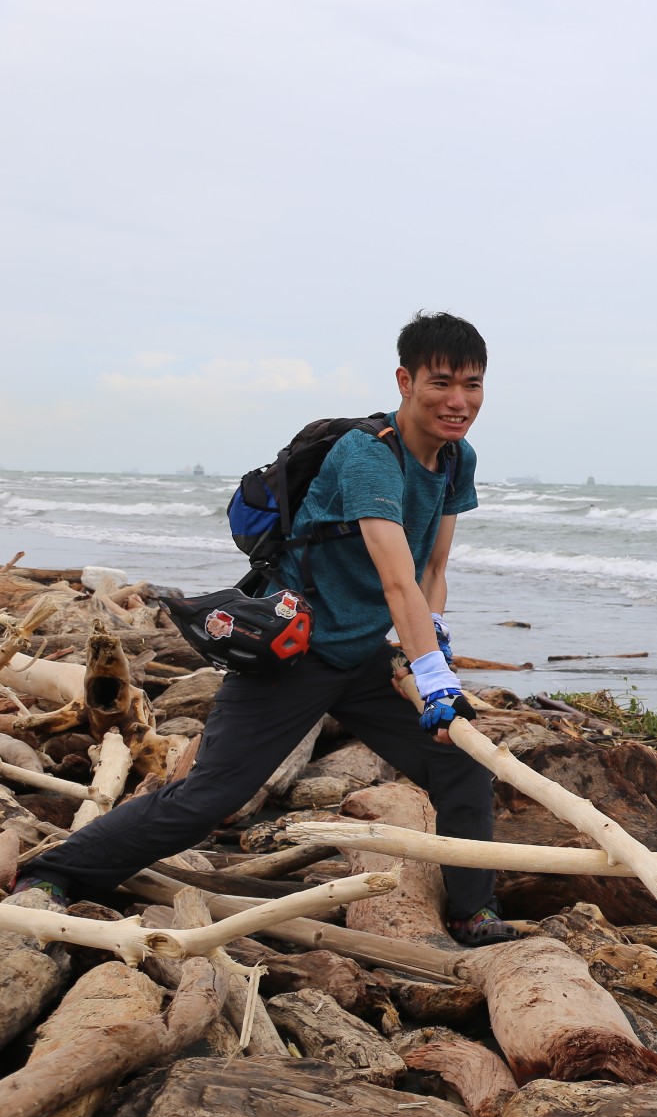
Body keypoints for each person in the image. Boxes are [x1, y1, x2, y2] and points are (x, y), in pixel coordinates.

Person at [16, 312, 516, 945]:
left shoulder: (454, 459)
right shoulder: (368, 458)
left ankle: (474, 912)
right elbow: (396, 582)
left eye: (472, 384)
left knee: (463, 762)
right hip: (294, 649)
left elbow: (432, 567)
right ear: (404, 380)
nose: (458, 400)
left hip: (364, 658)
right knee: (210, 798)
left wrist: (430, 646)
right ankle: (52, 873)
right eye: (441, 382)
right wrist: (434, 678)